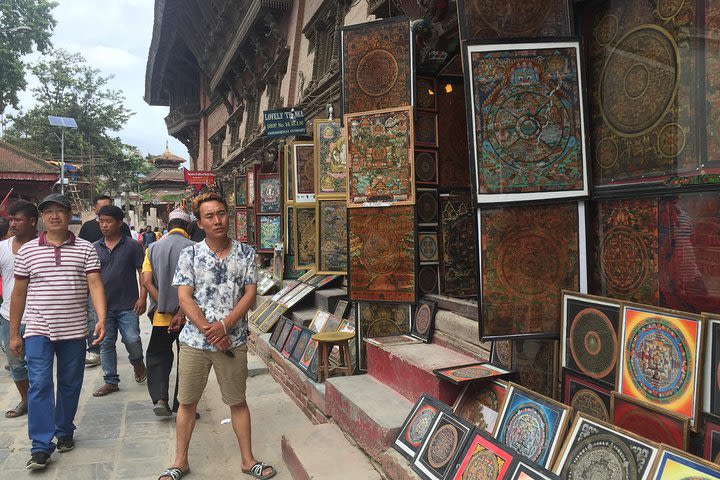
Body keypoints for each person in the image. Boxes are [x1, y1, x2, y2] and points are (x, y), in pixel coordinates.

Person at [158, 193, 275, 480]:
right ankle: (180, 461)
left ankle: (248, 460)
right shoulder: (191, 254)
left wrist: (224, 326)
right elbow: (184, 298)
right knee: (187, 402)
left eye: (221, 213)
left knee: (237, 401)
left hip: (232, 341)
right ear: (199, 222)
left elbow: (249, 295)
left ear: (228, 216)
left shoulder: (246, 253)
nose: (217, 220)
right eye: (209, 216)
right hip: (194, 342)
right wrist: (209, 330)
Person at [9, 193, 107, 470]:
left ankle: (64, 430)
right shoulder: (27, 251)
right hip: (39, 329)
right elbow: (18, 294)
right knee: (39, 384)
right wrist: (14, 333)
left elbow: (96, 284)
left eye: (59, 211)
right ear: (42, 217)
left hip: (74, 330)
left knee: (70, 384)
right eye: (48, 211)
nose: (54, 216)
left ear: (69, 214)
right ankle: (40, 445)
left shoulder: (86, 249)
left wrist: (101, 318)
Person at [141, 208, 194, 416]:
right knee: (187, 360)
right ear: (188, 227)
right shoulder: (195, 248)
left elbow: (146, 281)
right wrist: (179, 310)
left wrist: (164, 303)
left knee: (158, 355)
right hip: (189, 316)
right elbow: (197, 285)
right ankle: (182, 405)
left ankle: (160, 399)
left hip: (162, 317)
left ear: (169, 226)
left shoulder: (152, 248)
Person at [92, 205, 147, 397]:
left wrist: (142, 297)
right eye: (101, 221)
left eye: (108, 221)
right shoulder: (94, 248)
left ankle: (138, 362)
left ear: (119, 223)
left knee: (132, 339)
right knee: (106, 344)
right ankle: (110, 381)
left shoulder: (132, 246)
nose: (104, 225)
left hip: (128, 304)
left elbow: (142, 272)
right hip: (103, 307)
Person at [79, 195, 129, 367]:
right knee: (93, 318)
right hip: (94, 283)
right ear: (95, 210)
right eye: (102, 212)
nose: (105, 222)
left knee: (131, 337)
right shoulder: (87, 228)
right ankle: (94, 350)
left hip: (121, 292)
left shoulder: (123, 231)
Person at [0, 200, 38, 418]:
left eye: (17, 219)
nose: (12, 224)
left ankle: (41, 400)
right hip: (9, 316)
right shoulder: (3, 248)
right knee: (16, 364)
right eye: (10, 219)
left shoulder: (44, 247)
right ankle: (26, 399)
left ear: (32, 222)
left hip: (37, 315)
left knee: (38, 365)